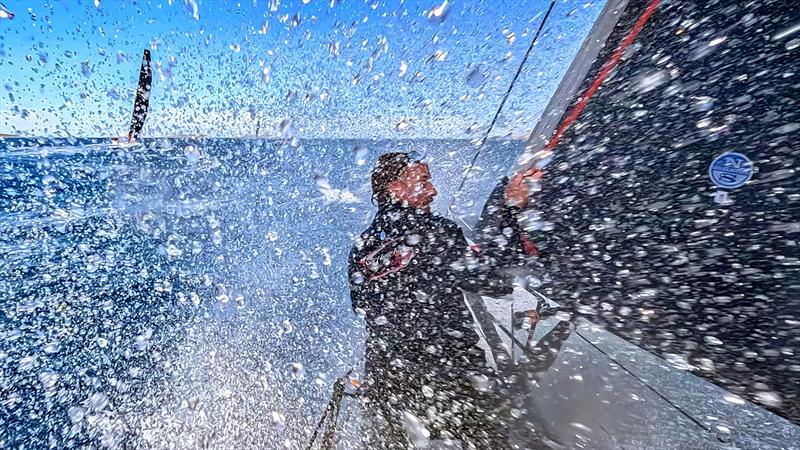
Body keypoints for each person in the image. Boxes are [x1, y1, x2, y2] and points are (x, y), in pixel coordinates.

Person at [348, 152, 534, 449]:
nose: (433, 191)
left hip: (386, 381)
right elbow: (494, 281)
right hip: (451, 374)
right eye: (424, 181)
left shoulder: (363, 247)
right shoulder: (437, 233)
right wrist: (511, 211)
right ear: (395, 188)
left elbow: (361, 306)